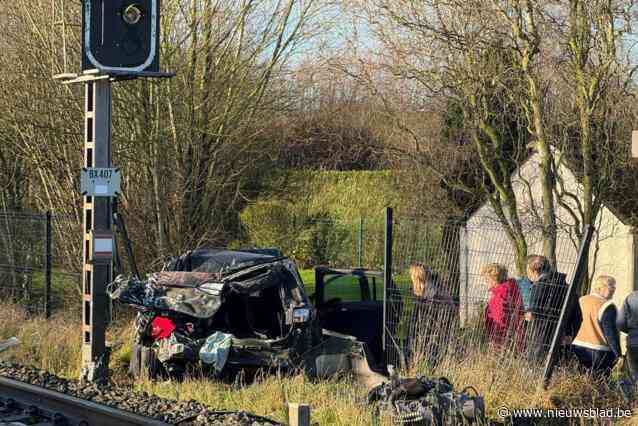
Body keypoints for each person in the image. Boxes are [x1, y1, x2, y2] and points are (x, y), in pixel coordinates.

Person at [525, 255, 575, 360]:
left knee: (536, 368)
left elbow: (532, 315)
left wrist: (526, 314)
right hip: (562, 336)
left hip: (540, 338)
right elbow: (577, 314)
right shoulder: (566, 287)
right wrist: (570, 333)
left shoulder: (538, 286)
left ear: (533, 271)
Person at [571, 275, 620, 378]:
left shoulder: (581, 300)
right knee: (599, 385)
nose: (613, 289)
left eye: (614, 287)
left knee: (580, 382)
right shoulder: (608, 306)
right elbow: (611, 333)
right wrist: (617, 355)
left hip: (577, 348)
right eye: (610, 286)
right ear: (598, 287)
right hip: (599, 352)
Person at [408, 263, 455, 369]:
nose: (411, 279)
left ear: (417, 277)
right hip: (430, 331)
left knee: (431, 358)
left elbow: (434, 317)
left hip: (434, 332)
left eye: (412, 276)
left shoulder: (434, 293)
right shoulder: (431, 288)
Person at [481, 263, 524, 349]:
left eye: (486, 280)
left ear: (493, 279)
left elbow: (500, 322)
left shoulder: (499, 296)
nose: (485, 283)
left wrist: (496, 343)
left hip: (502, 341)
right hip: (517, 336)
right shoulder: (512, 289)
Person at [617, 290, 638, 384]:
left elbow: (620, 323)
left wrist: (631, 331)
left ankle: (633, 397)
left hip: (634, 342)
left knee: (632, 377)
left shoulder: (632, 297)